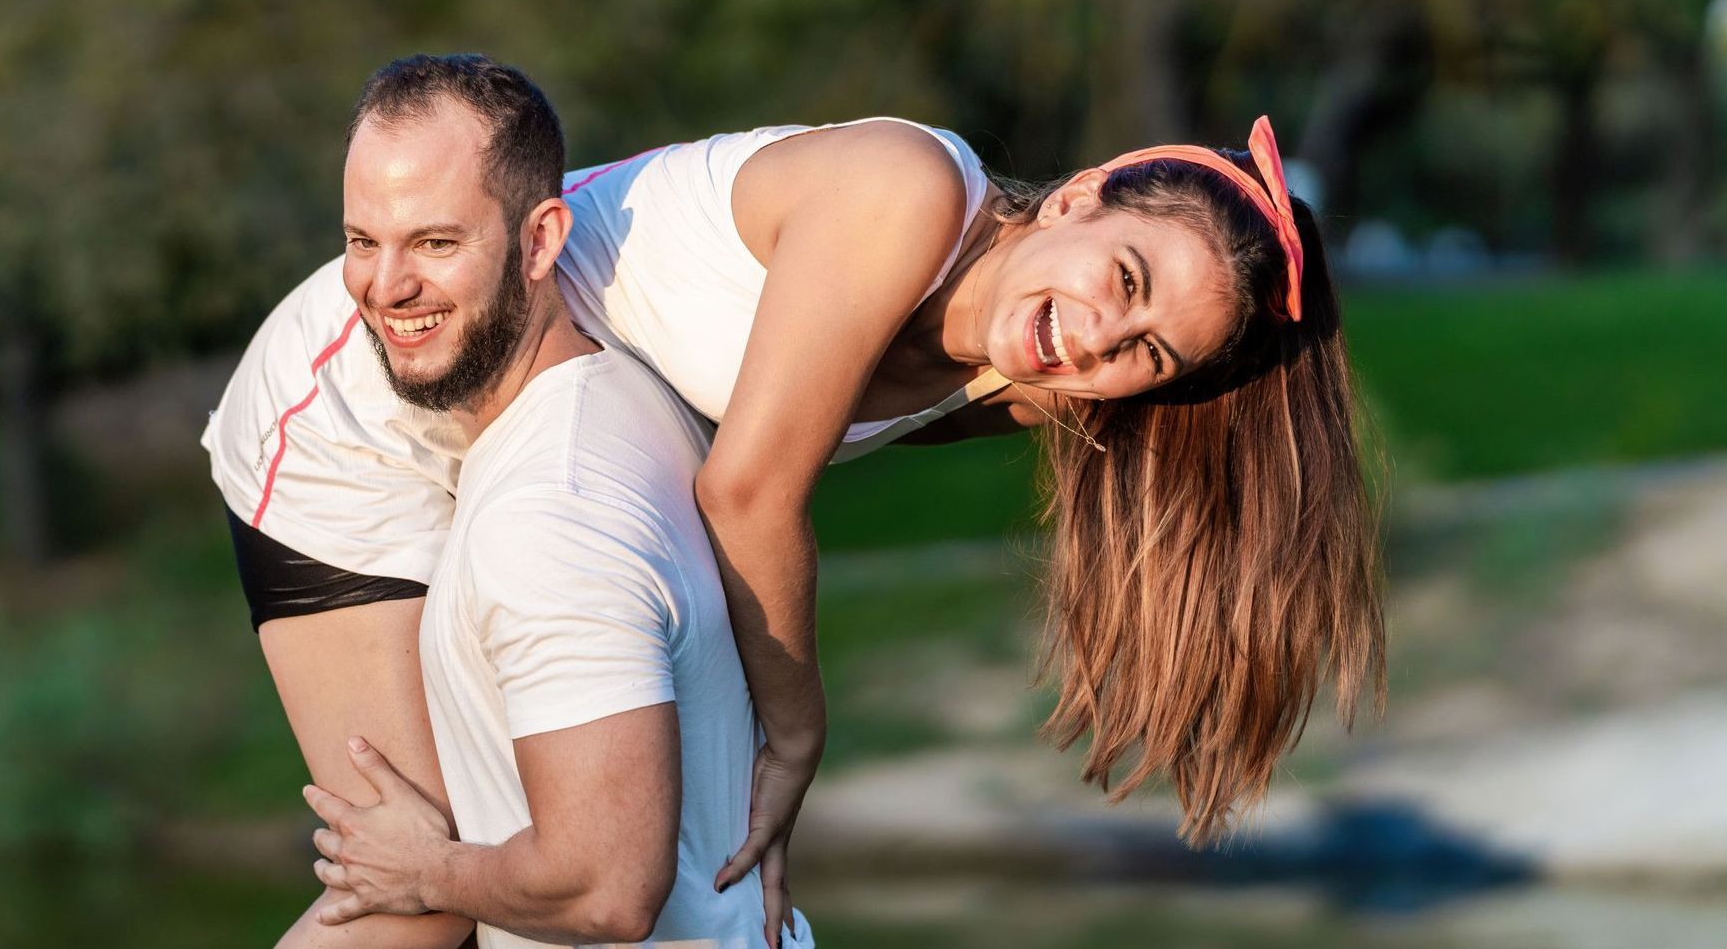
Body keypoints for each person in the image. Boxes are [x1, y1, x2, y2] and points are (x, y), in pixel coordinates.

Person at [203, 53, 1384, 947]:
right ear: (1079, 199)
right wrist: (797, 735)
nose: (1102, 337)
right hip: (356, 415)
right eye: (1125, 280)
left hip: (516, 446)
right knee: (412, 901)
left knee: (485, 883)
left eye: (1148, 354)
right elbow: (750, 490)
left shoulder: (1011, 380)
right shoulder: (904, 189)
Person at [293, 80, 812, 948]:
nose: (385, 285)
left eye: (434, 241)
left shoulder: (548, 519)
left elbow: (606, 887)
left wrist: (421, 871)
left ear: (541, 242)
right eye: (361, 241)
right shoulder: (627, 390)